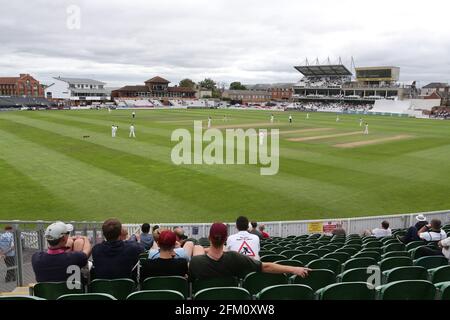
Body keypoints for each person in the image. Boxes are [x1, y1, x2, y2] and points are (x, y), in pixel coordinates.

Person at [189, 223, 310, 281]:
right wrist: (294, 269)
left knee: (198, 247)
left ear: (209, 238)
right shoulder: (234, 257)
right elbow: (265, 266)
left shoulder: (195, 261)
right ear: (225, 239)